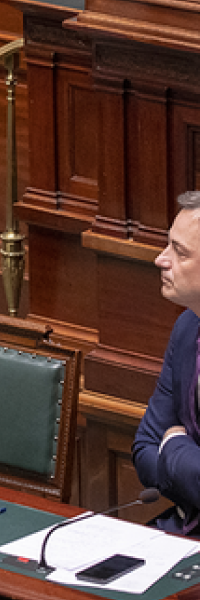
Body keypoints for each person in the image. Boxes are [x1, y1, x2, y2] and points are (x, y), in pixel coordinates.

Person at [133, 191, 200, 535]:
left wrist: (174, 448)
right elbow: (144, 448)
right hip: (181, 533)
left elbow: (161, 448)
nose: (161, 259)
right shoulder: (187, 328)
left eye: (179, 252)